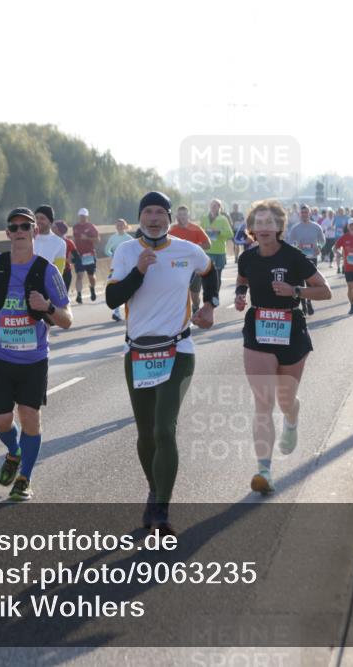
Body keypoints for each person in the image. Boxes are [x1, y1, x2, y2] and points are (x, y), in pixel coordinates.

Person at [106, 191, 219, 536]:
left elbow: (210, 272)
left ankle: (162, 508)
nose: (153, 218)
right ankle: (154, 489)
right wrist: (139, 271)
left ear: (169, 218)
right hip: (138, 353)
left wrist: (210, 305)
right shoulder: (126, 251)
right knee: (145, 435)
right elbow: (112, 297)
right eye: (148, 212)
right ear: (139, 217)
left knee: (164, 429)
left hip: (178, 350)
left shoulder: (187, 250)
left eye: (160, 212)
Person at [0, 208, 73, 501]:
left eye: (25, 226)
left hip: (33, 360)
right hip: (1, 357)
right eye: (13, 227)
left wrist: (47, 307)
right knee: (3, 421)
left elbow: (67, 319)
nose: (19, 231)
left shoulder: (47, 270)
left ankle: (25, 479)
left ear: (35, 232)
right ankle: (14, 453)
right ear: (8, 233)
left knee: (30, 418)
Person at [234, 200, 331, 496]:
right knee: (263, 401)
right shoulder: (247, 258)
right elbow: (242, 281)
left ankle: (292, 416)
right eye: (258, 222)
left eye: (269, 222)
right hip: (259, 328)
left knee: (285, 399)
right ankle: (264, 469)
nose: (263, 228)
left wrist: (296, 290)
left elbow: (325, 291)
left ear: (279, 227)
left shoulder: (294, 257)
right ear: (251, 228)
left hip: (291, 328)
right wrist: (240, 296)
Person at [284, 204, 326, 316]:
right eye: (302, 213)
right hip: (299, 259)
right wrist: (294, 248)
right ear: (299, 214)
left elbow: (323, 240)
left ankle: (309, 301)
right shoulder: (295, 228)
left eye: (306, 212)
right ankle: (303, 305)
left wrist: (319, 247)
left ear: (310, 213)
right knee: (300, 282)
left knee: (310, 282)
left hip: (312, 257)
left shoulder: (316, 227)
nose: (304, 214)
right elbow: (289, 243)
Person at [169, 205, 211, 311]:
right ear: (176, 216)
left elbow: (208, 244)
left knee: (194, 294)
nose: (182, 217)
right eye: (180, 215)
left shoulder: (196, 229)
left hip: (193, 265)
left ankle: (195, 306)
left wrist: (192, 248)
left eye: (184, 214)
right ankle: (180, 313)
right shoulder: (171, 230)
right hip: (177, 265)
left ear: (188, 216)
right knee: (179, 291)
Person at [104, 219, 135, 322]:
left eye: (121, 225)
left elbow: (134, 251)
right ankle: (116, 312)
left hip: (127, 266)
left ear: (125, 226)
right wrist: (113, 255)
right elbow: (106, 250)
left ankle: (130, 311)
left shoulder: (129, 238)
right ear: (116, 226)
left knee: (127, 288)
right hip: (116, 266)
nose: (119, 227)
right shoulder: (113, 238)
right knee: (115, 287)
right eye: (118, 225)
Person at [202, 199, 233, 284]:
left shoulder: (223, 219)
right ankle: (208, 295)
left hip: (219, 251)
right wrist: (205, 231)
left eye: (215, 206)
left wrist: (219, 232)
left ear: (219, 207)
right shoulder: (204, 218)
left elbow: (230, 234)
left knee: (217, 275)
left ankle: (216, 296)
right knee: (207, 276)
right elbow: (199, 232)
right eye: (211, 205)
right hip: (207, 251)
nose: (213, 207)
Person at [72, 208, 100, 303]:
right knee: (79, 275)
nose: (82, 218)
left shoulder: (91, 226)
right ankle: (79, 295)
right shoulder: (75, 227)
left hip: (89, 254)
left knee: (90, 276)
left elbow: (97, 239)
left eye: (83, 216)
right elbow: (74, 239)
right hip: (79, 255)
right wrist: (72, 252)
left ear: (87, 216)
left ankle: (92, 288)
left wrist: (87, 238)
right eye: (80, 216)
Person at [32, 205, 67, 274]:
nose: (38, 221)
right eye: (36, 218)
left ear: (50, 221)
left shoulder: (60, 243)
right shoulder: (26, 238)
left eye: (42, 218)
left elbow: (59, 271)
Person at [52, 220, 79, 295]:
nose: (52, 229)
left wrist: (68, 261)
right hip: (52, 273)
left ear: (60, 229)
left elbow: (77, 258)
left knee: (63, 296)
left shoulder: (69, 242)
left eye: (54, 227)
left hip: (66, 272)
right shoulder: (49, 242)